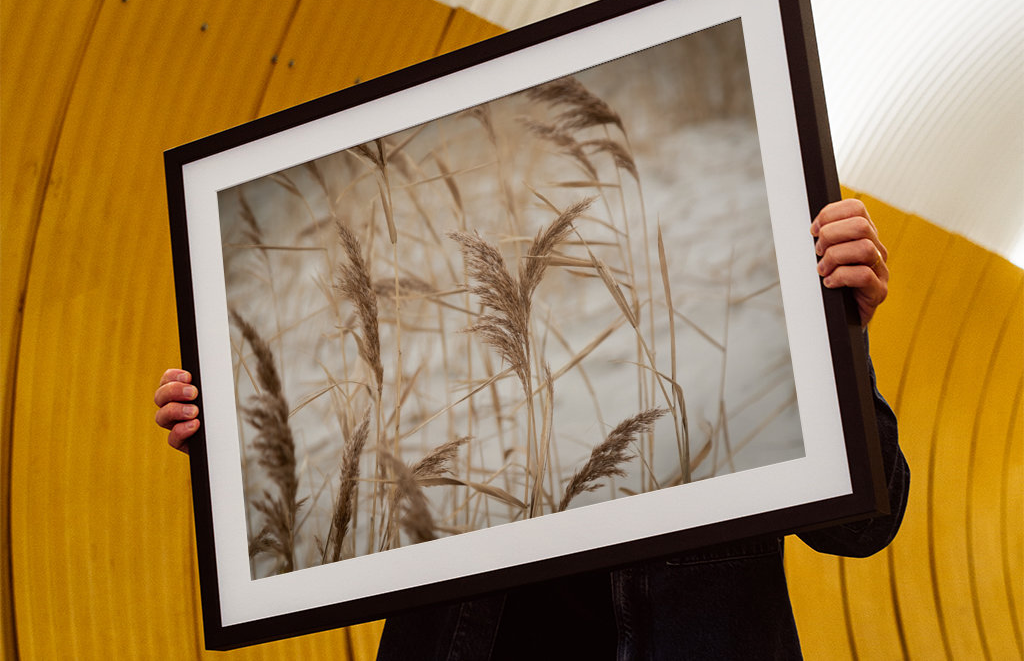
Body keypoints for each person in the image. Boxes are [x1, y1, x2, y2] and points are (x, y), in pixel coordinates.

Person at [155, 199, 909, 660]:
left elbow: (865, 525)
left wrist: (837, 335)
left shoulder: (722, 367)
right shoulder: (449, 386)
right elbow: (339, 482)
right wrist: (239, 433)